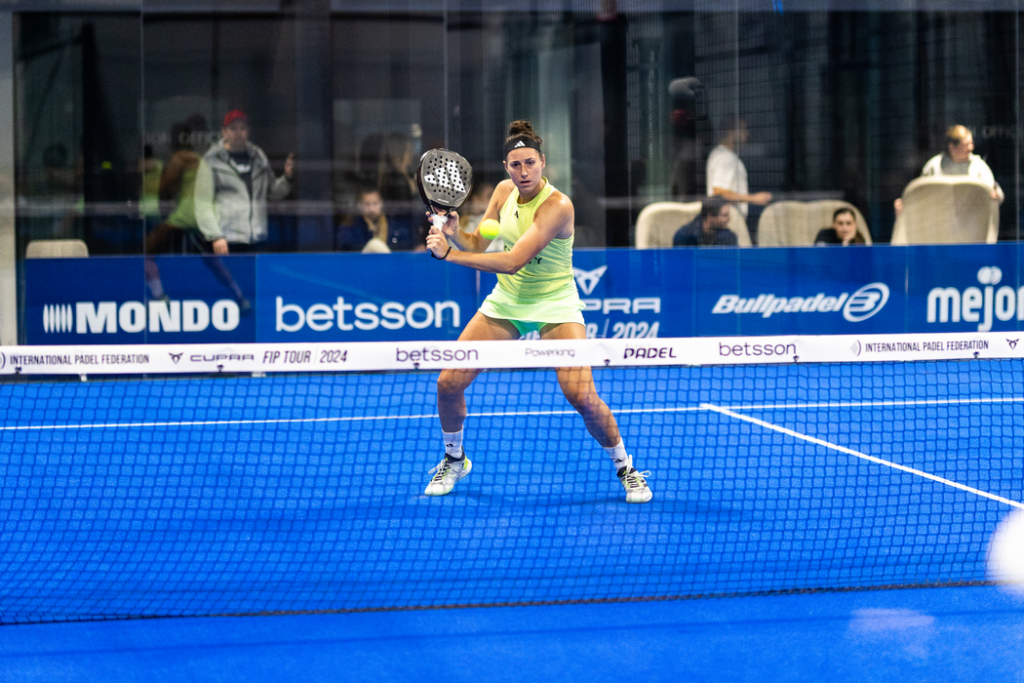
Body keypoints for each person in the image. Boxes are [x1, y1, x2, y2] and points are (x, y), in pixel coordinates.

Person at [422, 120, 652, 504]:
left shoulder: (558, 206)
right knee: (448, 383)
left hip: (555, 303)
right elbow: (479, 243)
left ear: (543, 162)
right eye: (515, 165)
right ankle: (454, 458)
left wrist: (449, 255)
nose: (523, 171)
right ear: (506, 167)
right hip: (507, 301)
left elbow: (513, 261)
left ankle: (625, 467)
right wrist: (456, 233)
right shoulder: (502, 192)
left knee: (581, 395)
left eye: (530, 163)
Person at [194, 109, 295, 253]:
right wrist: (215, 236)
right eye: (233, 128)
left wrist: (287, 177)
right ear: (224, 132)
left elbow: (273, 193)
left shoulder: (258, 156)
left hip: (257, 239)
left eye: (242, 128)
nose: (238, 132)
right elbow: (202, 204)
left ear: (248, 132)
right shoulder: (212, 160)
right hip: (227, 240)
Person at [894, 125, 1004, 215]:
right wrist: (905, 206)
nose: (971, 147)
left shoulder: (979, 166)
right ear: (952, 147)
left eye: (971, 143)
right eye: (966, 144)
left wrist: (996, 195)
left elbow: (995, 192)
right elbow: (921, 196)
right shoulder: (934, 166)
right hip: (941, 225)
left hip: (972, 223)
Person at [706, 115, 772, 218]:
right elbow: (719, 193)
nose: (747, 134)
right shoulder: (725, 157)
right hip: (728, 221)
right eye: (743, 130)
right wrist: (754, 198)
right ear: (733, 132)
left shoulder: (722, 154)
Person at [672, 196, 737, 246]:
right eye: (725, 215)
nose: (729, 219)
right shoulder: (684, 236)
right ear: (710, 216)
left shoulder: (728, 236)